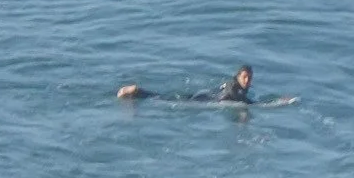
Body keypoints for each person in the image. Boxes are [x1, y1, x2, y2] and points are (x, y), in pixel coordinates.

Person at [118, 66, 284, 105]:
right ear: (238, 77)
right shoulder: (235, 90)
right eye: (245, 77)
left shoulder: (236, 87)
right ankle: (137, 92)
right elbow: (245, 103)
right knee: (164, 99)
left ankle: (137, 93)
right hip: (202, 100)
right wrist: (276, 102)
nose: (247, 81)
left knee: (167, 97)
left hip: (205, 95)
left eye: (249, 78)